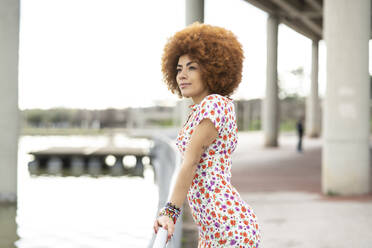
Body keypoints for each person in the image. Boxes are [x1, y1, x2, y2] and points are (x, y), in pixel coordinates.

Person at [153, 22, 261, 247]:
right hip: (211, 229)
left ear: (212, 69)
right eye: (179, 68)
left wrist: (170, 212)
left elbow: (190, 164)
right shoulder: (200, 110)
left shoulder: (214, 105)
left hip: (229, 227)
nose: (182, 75)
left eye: (192, 67)